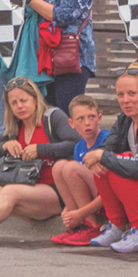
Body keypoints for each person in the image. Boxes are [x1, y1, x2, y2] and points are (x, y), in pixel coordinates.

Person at [84, 66, 138, 255]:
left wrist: (102, 155)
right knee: (104, 163)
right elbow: (107, 147)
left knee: (118, 161)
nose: (126, 100)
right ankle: (118, 226)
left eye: (132, 93)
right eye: (120, 95)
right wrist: (99, 155)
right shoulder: (126, 117)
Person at [0, 78, 71, 228]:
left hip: (55, 190)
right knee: (8, 191)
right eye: (14, 103)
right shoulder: (15, 125)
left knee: (9, 192)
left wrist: (40, 149)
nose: (19, 106)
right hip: (26, 187)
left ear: (36, 99)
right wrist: (5, 145)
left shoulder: (53, 117)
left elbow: (76, 143)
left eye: (23, 100)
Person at [49, 94, 108, 244]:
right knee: (58, 167)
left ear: (100, 118)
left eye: (92, 117)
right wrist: (68, 211)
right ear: (71, 123)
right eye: (81, 119)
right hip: (90, 200)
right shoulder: (78, 147)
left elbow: (110, 189)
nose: (87, 123)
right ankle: (77, 225)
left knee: (70, 168)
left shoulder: (107, 139)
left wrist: (80, 213)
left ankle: (91, 225)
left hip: (107, 198)